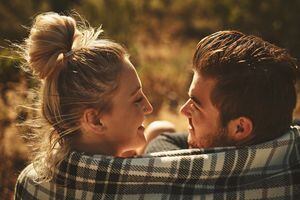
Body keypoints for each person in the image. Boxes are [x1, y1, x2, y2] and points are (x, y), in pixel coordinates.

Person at [143, 30, 300, 198]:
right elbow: (169, 139)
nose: (183, 110)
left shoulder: (200, 182)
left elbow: (163, 141)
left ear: (240, 127)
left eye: (196, 104)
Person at [14, 12, 153, 199]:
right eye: (137, 100)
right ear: (95, 120)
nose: (149, 107)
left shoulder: (29, 183)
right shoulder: (144, 184)